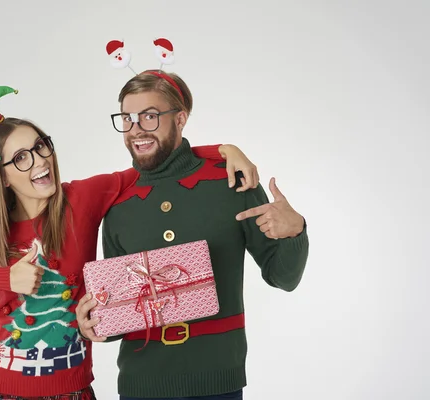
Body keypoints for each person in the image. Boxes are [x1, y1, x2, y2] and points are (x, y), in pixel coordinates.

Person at [0, 85, 262, 400]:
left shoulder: (82, 199)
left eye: (40, 146)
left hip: (73, 390)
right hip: (1, 389)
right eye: (20, 157)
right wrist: (4, 278)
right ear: (0, 175)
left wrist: (223, 150)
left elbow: (156, 162)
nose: (40, 161)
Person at [75, 70, 310, 400]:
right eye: (127, 118)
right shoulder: (119, 203)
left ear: (180, 118)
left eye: (150, 116)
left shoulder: (232, 181)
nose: (135, 129)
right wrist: (96, 323)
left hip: (218, 382)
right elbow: (125, 305)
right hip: (141, 385)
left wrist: (295, 230)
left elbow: (283, 278)